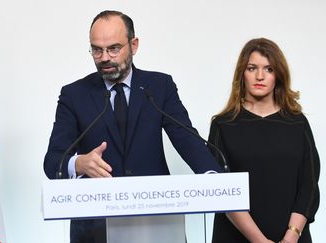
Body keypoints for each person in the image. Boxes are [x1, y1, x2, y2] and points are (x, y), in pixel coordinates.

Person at [44, 10, 223, 243]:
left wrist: (214, 179)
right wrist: (79, 163)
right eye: (97, 50)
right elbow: (52, 162)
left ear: (134, 45)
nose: (105, 57)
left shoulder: (159, 86)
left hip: (157, 223)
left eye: (114, 48)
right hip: (95, 228)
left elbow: (187, 139)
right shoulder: (74, 95)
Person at [208, 38, 320, 243]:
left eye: (268, 69)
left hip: (291, 237)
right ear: (242, 73)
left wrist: (292, 235)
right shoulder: (223, 124)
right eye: (252, 68)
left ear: (279, 74)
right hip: (236, 236)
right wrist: (259, 240)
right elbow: (221, 190)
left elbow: (309, 185)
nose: (260, 76)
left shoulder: (297, 123)